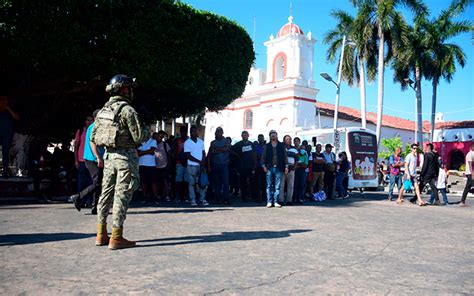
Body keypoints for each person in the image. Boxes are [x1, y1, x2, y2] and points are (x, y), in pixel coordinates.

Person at [91, 74, 148, 250]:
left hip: (108, 157)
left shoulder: (103, 111)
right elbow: (138, 137)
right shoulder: (127, 110)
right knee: (121, 196)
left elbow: (94, 136)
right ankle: (116, 237)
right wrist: (146, 130)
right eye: (130, 88)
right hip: (125, 159)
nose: (131, 92)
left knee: (105, 195)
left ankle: (101, 234)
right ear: (124, 89)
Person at [70, 109, 105, 214]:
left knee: (98, 182)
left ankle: (95, 207)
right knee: (97, 182)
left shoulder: (99, 127)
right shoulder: (93, 127)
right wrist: (98, 157)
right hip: (92, 159)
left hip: (97, 158)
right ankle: (78, 197)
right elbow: (92, 143)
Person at [261, 130, 288, 208]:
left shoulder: (281, 145)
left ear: (277, 136)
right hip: (269, 168)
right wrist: (264, 166)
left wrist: (286, 166)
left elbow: (285, 157)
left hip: (279, 168)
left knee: (277, 186)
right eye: (271, 135)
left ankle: (276, 201)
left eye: (274, 134)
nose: (273, 136)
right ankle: (269, 201)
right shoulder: (267, 146)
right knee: (269, 186)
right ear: (269, 136)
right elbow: (263, 157)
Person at [184, 125, 209, 206]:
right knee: (192, 184)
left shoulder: (201, 141)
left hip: (200, 166)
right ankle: (193, 200)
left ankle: (202, 199)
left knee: (202, 183)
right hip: (191, 166)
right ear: (191, 132)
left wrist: (203, 163)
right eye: (194, 131)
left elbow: (203, 153)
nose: (196, 132)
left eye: (197, 131)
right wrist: (199, 161)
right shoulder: (187, 142)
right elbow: (187, 155)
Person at [74, 115, 94, 206]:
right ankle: (80, 200)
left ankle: (89, 201)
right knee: (81, 182)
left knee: (91, 181)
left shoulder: (94, 130)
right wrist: (76, 160)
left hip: (91, 160)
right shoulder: (81, 131)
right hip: (81, 159)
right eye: (88, 120)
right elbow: (76, 146)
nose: (89, 122)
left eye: (91, 120)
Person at [207, 127, 230, 205]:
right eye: (216, 132)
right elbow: (212, 151)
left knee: (226, 183)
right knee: (217, 183)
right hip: (215, 165)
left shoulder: (226, 141)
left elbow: (226, 149)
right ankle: (217, 199)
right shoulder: (213, 142)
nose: (217, 133)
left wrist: (217, 149)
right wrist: (221, 149)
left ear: (222, 133)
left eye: (219, 132)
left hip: (224, 165)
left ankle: (226, 199)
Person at [233, 131, 256, 202]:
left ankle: (252, 196)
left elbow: (254, 154)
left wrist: (254, 164)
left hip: (250, 166)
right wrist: (237, 156)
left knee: (252, 181)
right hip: (242, 166)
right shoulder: (238, 144)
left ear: (248, 136)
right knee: (243, 182)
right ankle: (244, 196)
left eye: (246, 135)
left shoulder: (251, 144)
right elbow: (232, 151)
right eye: (243, 135)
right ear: (241, 136)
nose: (245, 136)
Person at [0, 95, 20, 178]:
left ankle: (5, 171)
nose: (3, 102)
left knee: (5, 152)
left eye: (5, 100)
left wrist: (8, 108)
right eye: (2, 100)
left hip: (7, 135)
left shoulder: (9, 110)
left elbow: (17, 118)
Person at [137, 133, 159, 204]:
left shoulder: (153, 141)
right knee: (143, 182)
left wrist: (142, 152)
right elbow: (138, 153)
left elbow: (152, 150)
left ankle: (155, 197)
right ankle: (144, 197)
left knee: (153, 182)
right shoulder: (140, 142)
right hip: (142, 164)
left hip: (151, 165)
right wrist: (148, 151)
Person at [154, 131, 172, 202]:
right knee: (157, 181)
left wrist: (168, 164)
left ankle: (167, 195)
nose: (160, 138)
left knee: (165, 181)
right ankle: (158, 195)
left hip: (164, 165)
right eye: (159, 136)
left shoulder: (165, 144)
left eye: (162, 137)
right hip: (155, 166)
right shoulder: (153, 144)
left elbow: (169, 154)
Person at [279, 135, 297, 205]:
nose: (288, 140)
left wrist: (294, 167)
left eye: (289, 139)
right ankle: (281, 200)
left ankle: (289, 200)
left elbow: (297, 159)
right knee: (281, 185)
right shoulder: (280, 148)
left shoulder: (294, 149)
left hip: (291, 169)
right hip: (282, 169)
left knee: (290, 185)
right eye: (287, 139)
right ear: (284, 140)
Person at [172, 126, 188, 202]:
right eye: (182, 131)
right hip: (179, 162)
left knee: (186, 180)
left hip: (188, 162)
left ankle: (185, 195)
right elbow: (175, 152)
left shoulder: (189, 141)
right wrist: (181, 160)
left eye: (184, 131)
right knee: (178, 180)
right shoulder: (176, 140)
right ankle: (178, 195)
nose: (183, 133)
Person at [460, 142, 474, 207]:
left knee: (467, 187)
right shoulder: (470, 154)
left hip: (471, 173)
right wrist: (472, 173)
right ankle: (462, 201)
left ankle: (462, 201)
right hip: (470, 173)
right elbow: (470, 164)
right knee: (468, 188)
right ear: (472, 147)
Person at [254, 134, 266, 202]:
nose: (261, 139)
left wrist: (261, 156)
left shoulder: (266, 146)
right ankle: (258, 197)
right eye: (259, 138)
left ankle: (264, 197)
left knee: (264, 183)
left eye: (262, 138)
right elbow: (256, 156)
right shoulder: (256, 147)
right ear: (258, 139)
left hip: (265, 167)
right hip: (258, 166)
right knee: (257, 183)